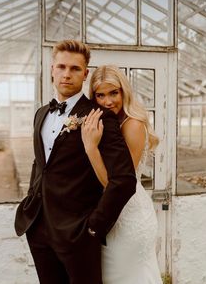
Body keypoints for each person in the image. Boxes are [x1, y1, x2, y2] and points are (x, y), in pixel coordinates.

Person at [14, 41, 137, 284]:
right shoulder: (41, 113)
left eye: (75, 68)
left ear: (85, 73)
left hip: (78, 233)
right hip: (38, 227)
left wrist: (94, 228)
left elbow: (124, 180)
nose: (67, 74)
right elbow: (40, 164)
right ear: (52, 69)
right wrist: (31, 199)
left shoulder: (100, 116)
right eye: (61, 66)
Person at [81, 65, 163, 284]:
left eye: (113, 93)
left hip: (129, 215)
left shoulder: (132, 125)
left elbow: (116, 183)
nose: (108, 101)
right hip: (112, 212)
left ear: (124, 91)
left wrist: (91, 148)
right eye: (101, 95)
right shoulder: (109, 122)